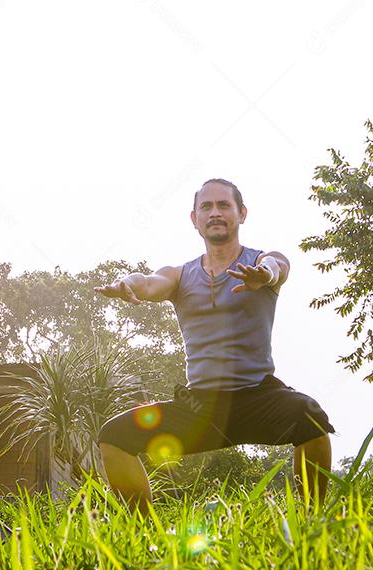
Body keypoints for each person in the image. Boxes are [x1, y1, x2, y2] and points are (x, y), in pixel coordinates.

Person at [94, 178, 334, 513]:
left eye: (224, 205)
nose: (215, 213)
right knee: (114, 436)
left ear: (242, 213)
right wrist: (129, 283)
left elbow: (278, 266)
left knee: (310, 417)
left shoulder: (259, 261)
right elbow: (149, 282)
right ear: (195, 219)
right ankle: (145, 535)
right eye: (206, 207)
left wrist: (264, 275)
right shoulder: (181, 275)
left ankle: (312, 521)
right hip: (199, 407)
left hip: (257, 396)